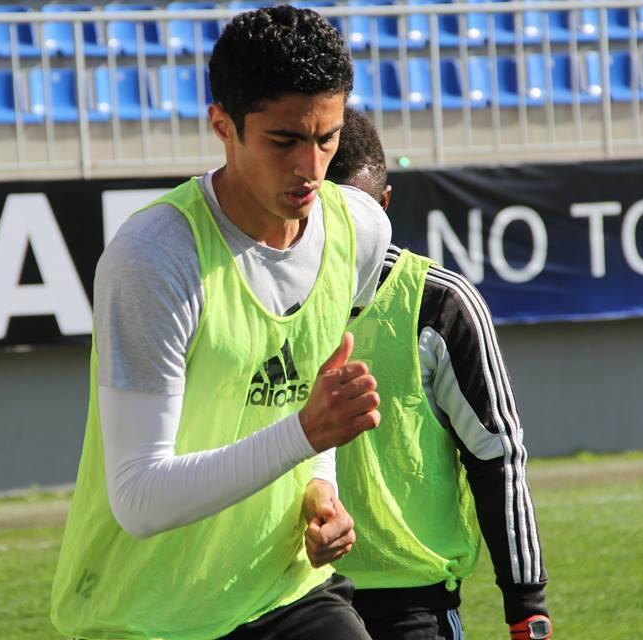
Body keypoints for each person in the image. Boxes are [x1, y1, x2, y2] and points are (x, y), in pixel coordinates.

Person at [50, 8, 392, 639]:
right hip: (148, 616)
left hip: (286, 592)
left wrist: (321, 490)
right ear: (222, 126)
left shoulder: (361, 230)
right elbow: (138, 499)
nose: (311, 167)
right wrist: (306, 435)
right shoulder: (155, 257)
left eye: (327, 138)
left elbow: (304, 396)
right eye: (283, 141)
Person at [324, 108, 553, 640]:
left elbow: (496, 455)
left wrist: (526, 602)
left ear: (383, 206)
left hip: (412, 603)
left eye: (355, 212)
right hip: (291, 597)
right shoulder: (268, 300)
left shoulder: (440, 304)